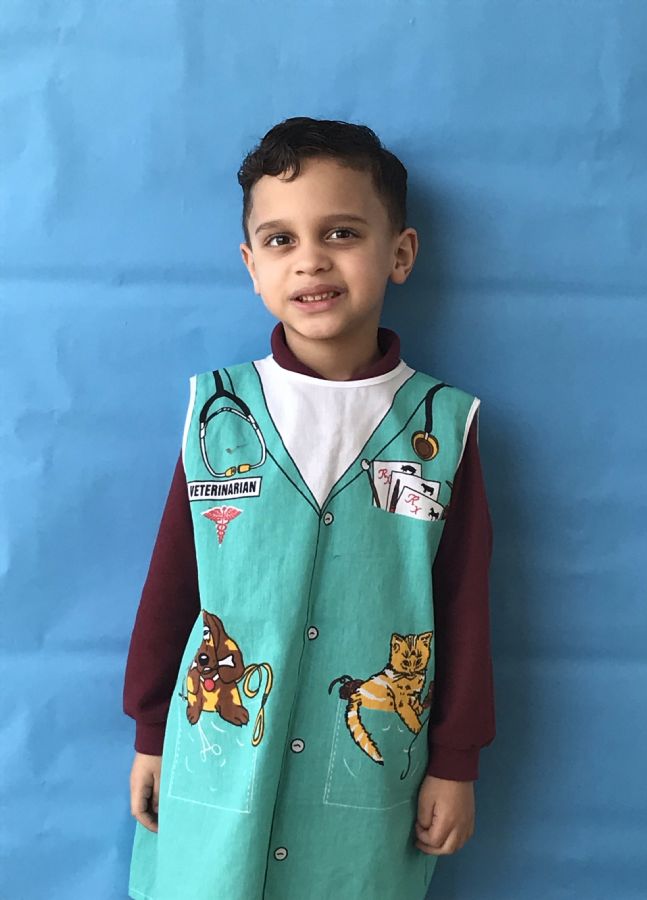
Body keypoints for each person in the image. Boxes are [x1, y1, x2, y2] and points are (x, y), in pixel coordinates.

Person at [123, 116, 495, 900]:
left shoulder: (440, 427)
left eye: (341, 233)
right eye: (280, 240)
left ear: (399, 253)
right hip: (218, 751)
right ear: (251, 266)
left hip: (359, 773)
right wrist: (152, 732)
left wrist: (454, 760)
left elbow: (463, 602)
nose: (311, 260)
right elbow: (174, 582)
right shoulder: (218, 413)